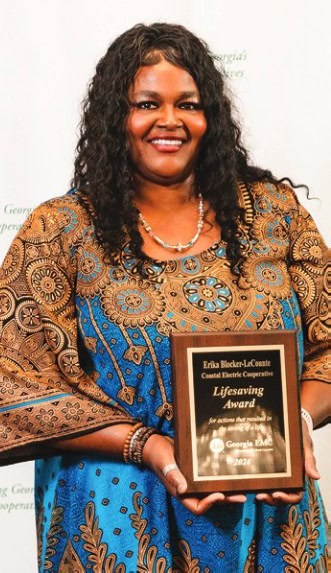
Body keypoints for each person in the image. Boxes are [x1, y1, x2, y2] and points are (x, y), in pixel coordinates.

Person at [0, 22, 329, 572]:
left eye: (189, 104)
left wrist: (292, 421)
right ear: (115, 118)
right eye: (147, 103)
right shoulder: (60, 230)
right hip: (116, 516)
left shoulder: (273, 215)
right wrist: (148, 446)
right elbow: (12, 381)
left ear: (211, 118)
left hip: (269, 514)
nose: (170, 121)